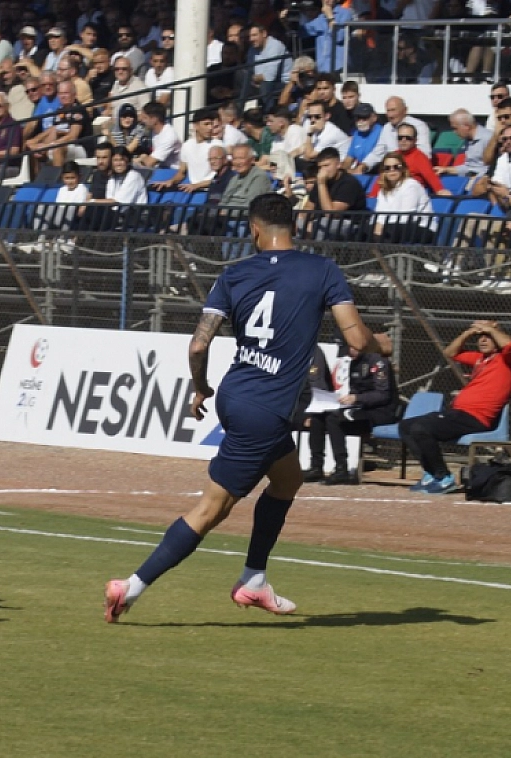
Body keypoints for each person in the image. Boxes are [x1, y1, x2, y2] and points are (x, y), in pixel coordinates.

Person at [103, 193, 379, 623]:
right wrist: (368, 336)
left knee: (287, 478)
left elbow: (198, 344)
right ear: (294, 226)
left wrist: (200, 389)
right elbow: (358, 342)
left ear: (254, 229)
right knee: (212, 508)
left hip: (234, 394)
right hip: (265, 408)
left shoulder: (234, 275)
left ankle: (254, 580)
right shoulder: (322, 270)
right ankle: (131, 586)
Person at [402, 321, 511, 494]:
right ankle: (431, 473)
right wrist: (468, 333)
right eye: (480, 337)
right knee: (405, 426)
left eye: (488, 337)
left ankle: (444, 478)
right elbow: (449, 353)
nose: (483, 340)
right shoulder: (480, 359)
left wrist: (490, 329)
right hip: (459, 414)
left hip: (476, 417)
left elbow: (510, 344)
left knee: (421, 428)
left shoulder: (507, 359)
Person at [308, 341, 397, 485]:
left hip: (381, 412)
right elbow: (356, 389)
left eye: (352, 347)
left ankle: (341, 469)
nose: (350, 351)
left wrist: (356, 398)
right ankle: (316, 466)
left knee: (334, 418)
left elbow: (383, 395)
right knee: (320, 415)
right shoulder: (354, 362)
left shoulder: (377, 362)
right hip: (362, 409)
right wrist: (343, 400)